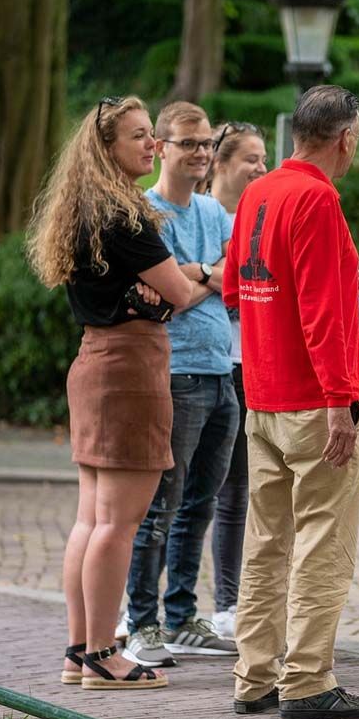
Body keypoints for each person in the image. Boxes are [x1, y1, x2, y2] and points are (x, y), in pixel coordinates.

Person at [222, 85, 359, 719]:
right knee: (323, 543)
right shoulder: (317, 199)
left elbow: (239, 289)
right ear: (345, 137)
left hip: (261, 396)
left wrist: (343, 283)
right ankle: (309, 681)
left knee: (264, 544)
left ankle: (253, 675)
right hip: (312, 402)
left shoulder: (259, 191)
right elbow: (320, 313)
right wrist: (341, 400)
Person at [27, 95, 194, 690]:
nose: (152, 145)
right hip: (130, 372)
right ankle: (104, 654)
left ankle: (80, 650)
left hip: (95, 362)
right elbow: (175, 292)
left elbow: (159, 292)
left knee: (91, 519)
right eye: (139, 137)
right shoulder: (126, 217)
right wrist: (200, 275)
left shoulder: (85, 211)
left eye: (152, 135)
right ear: (107, 149)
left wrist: (167, 288)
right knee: (117, 525)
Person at [120, 102, 240, 666]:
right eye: (188, 143)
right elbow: (171, 293)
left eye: (206, 144)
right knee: (159, 506)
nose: (200, 153)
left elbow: (234, 274)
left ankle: (183, 614)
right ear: (162, 147)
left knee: (202, 504)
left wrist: (196, 275)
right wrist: (201, 276)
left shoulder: (215, 212)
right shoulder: (145, 213)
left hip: (222, 372)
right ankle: (142, 623)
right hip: (175, 372)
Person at [197, 121, 268, 638]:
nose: (261, 168)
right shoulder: (204, 218)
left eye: (264, 158)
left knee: (236, 490)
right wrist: (214, 273)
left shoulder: (256, 219)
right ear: (220, 163)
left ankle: (227, 603)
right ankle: (153, 609)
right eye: (251, 158)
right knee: (182, 492)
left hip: (246, 363)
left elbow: (249, 281)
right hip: (198, 364)